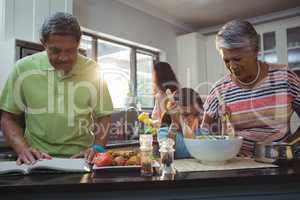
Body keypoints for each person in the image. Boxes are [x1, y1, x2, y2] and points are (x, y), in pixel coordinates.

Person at [0, 12, 113, 165]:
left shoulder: (93, 70)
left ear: (79, 44)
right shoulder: (22, 69)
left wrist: (98, 148)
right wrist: (23, 149)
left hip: (81, 160)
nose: (64, 57)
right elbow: (8, 118)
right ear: (43, 44)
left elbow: (104, 116)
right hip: (37, 160)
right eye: (55, 50)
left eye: (70, 50)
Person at [201, 20, 300, 157]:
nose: (232, 66)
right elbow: (205, 132)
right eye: (226, 60)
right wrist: (221, 133)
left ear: (255, 51)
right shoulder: (219, 89)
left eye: (237, 59)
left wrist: (286, 148)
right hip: (237, 166)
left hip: (279, 163)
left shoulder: (285, 77)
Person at [158, 88, 204, 158]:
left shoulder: (202, 133)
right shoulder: (164, 132)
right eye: (186, 115)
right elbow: (167, 157)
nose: (192, 119)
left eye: (196, 115)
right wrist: (174, 123)